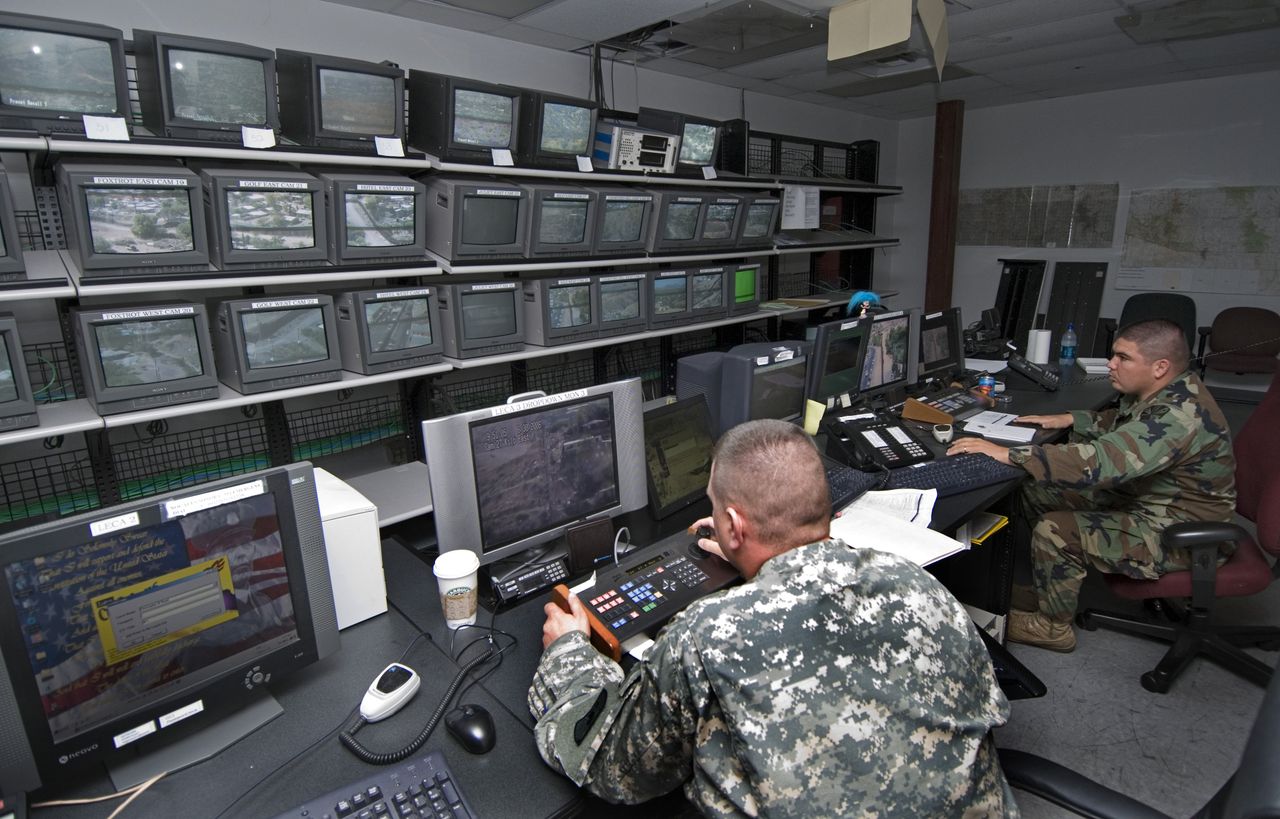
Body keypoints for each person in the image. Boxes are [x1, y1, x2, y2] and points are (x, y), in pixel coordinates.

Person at [528, 419, 1018, 818]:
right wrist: (750, 560)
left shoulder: (707, 635)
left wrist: (569, 653)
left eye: (717, 510)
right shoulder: (920, 587)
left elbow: (612, 768)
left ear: (734, 526)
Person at [948, 318, 1236, 652]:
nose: (1111, 364)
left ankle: (1053, 627)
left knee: (1056, 529)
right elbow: (1128, 423)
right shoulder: (1169, 391)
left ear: (1160, 367)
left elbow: (1100, 463)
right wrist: (1073, 419)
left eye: (1123, 358)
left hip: (1180, 532)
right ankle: (1049, 589)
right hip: (1148, 500)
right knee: (1035, 490)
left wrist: (1010, 454)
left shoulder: (1180, 416)